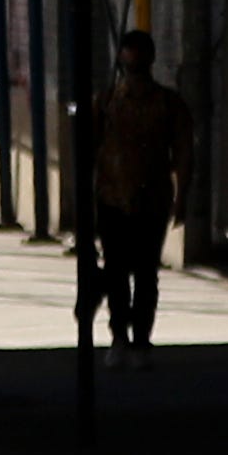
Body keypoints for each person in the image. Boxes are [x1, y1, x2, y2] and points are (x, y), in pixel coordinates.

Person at [74, 28, 193, 359]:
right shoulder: (108, 102)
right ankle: (123, 336)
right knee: (120, 271)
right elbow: (89, 150)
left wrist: (181, 195)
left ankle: (136, 337)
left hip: (149, 199)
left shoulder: (166, 105)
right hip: (114, 197)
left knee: (142, 272)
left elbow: (184, 153)